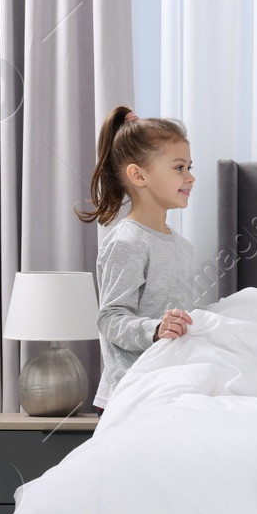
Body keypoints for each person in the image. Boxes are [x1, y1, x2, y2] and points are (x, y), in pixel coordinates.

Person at [76, 106, 197, 413]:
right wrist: (155, 329)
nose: (190, 177)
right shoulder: (128, 242)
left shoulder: (181, 246)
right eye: (179, 167)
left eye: (189, 167)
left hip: (168, 386)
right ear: (138, 174)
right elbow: (110, 318)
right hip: (129, 395)